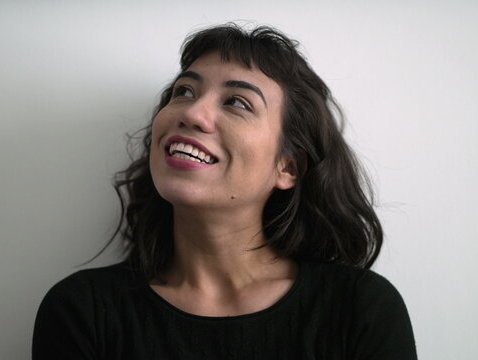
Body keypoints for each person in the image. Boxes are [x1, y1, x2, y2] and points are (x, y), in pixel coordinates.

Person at [32, 23, 418, 359]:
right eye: (183, 91)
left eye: (237, 102)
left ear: (287, 167)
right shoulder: (83, 312)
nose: (191, 112)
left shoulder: (360, 310)